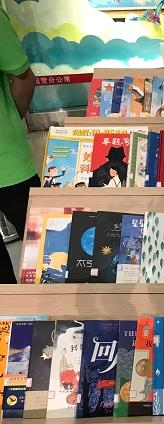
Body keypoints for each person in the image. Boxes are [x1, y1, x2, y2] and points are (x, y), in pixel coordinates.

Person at [0, 9, 40, 284]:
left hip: (9, 162)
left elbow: (24, 76)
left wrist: (11, 119)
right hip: (10, 159)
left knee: (44, 245)